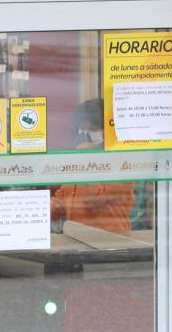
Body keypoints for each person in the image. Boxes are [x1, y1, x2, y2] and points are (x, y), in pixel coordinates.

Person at [51, 98, 134, 233]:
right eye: (81, 129)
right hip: (80, 241)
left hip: (111, 244)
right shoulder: (78, 164)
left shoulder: (120, 164)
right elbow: (61, 203)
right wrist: (33, 208)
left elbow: (94, 202)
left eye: (91, 128)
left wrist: (87, 157)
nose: (85, 134)